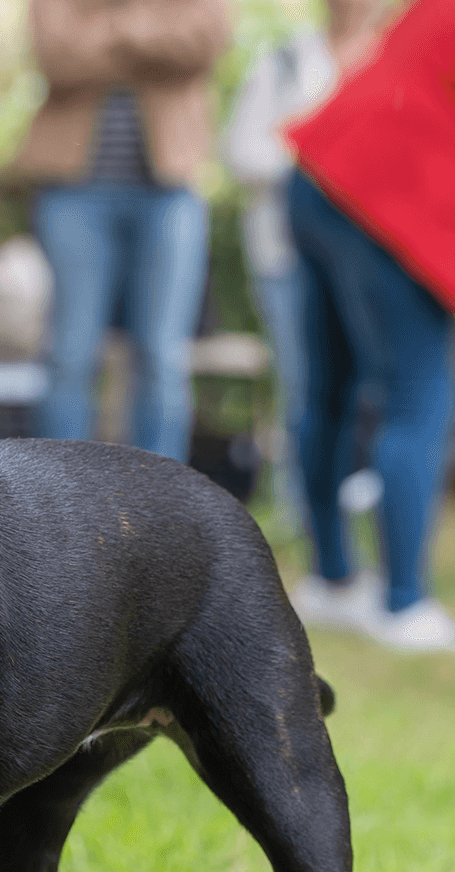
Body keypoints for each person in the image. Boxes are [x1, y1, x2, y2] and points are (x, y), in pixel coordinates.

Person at [283, 0, 455, 653]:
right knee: (417, 396)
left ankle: (331, 581)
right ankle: (403, 603)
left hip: (320, 172)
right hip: (393, 193)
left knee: (330, 391)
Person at [13, 0, 230, 463]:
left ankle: (160, 512)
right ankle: (56, 504)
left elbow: (205, 42)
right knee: (69, 356)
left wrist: (108, 29)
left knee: (163, 359)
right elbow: (56, 54)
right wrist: (153, 35)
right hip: (72, 193)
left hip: (169, 191)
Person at [223, 0, 385, 537]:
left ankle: (358, 506)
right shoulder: (285, 61)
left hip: (372, 261)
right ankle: (307, 519)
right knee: (305, 383)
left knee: (373, 387)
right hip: (288, 257)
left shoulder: (387, 59)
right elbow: (241, 150)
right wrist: (319, 159)